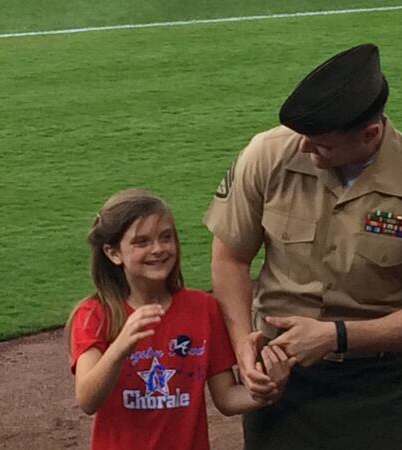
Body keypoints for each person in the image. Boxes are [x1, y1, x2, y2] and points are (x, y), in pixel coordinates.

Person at [204, 43, 402, 450]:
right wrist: (243, 345)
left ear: (370, 134)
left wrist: (336, 336)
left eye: (322, 145)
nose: (304, 149)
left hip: (375, 390)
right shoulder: (268, 153)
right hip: (280, 382)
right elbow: (229, 257)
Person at [66, 188, 290, 450]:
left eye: (166, 237)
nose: (158, 249)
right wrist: (120, 347)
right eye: (142, 242)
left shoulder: (203, 309)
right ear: (113, 253)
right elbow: (87, 400)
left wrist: (269, 387)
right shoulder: (95, 314)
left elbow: (227, 398)